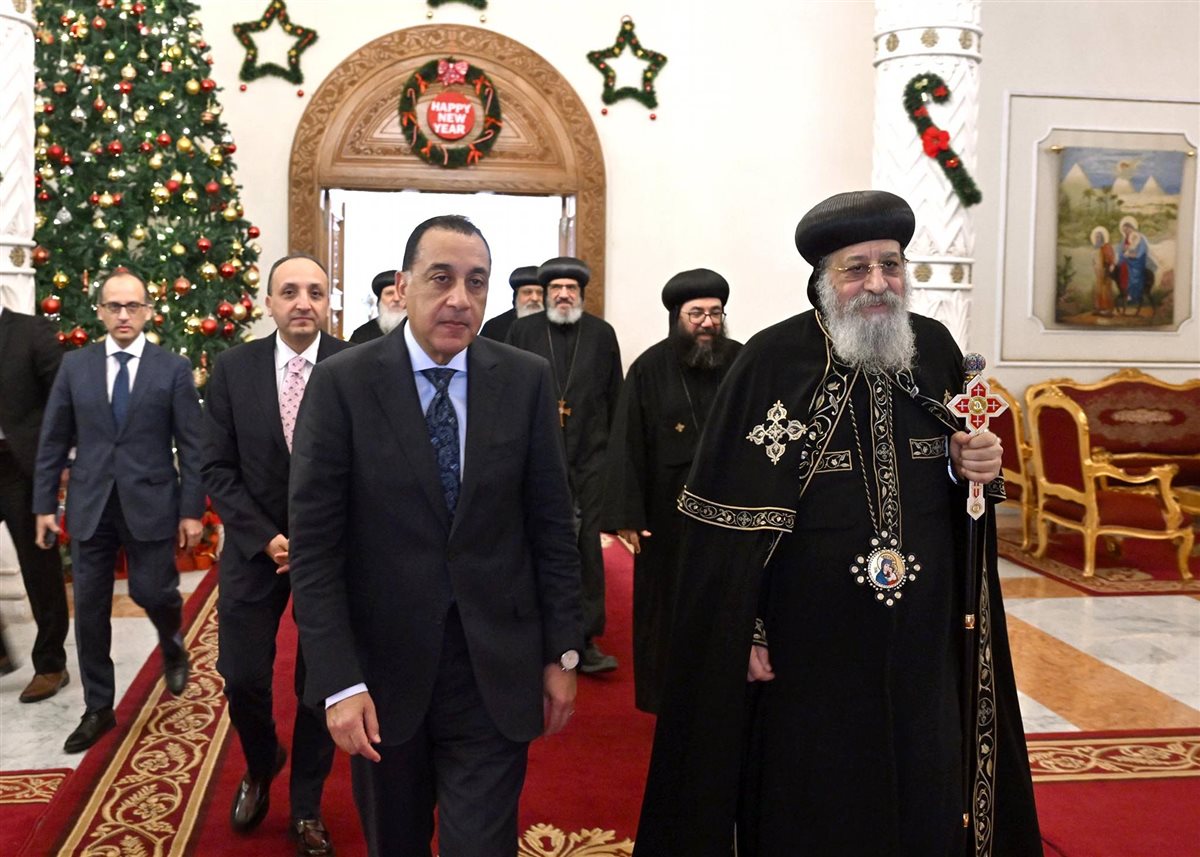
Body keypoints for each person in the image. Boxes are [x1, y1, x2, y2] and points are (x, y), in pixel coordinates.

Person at [635, 191, 1042, 856]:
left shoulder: (934, 349)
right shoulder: (770, 361)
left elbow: (965, 477)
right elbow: (725, 524)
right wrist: (745, 627)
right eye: (857, 268)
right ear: (823, 278)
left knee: (925, 783)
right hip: (809, 643)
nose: (879, 283)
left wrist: (972, 465)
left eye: (892, 265)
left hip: (923, 634)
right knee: (817, 798)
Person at [288, 215, 582, 856]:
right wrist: (339, 681)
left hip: (494, 670)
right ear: (402, 287)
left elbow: (552, 528)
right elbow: (315, 552)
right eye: (441, 278)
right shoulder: (343, 383)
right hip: (382, 679)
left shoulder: (525, 379)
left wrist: (563, 652)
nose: (459, 299)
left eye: (476, 282)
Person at [202, 253, 350, 855]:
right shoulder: (233, 369)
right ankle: (262, 762)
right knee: (241, 676)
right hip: (253, 549)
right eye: (289, 291)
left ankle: (307, 805)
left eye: (315, 291)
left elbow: (372, 466)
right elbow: (216, 466)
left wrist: (318, 538)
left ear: (328, 301)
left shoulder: (354, 365)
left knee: (320, 683)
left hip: (331, 554)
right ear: (268, 303)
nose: (303, 303)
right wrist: (264, 537)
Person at [33, 268, 205, 753]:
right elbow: (53, 438)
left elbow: (193, 446)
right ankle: (98, 707)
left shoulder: (172, 368)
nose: (124, 315)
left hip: (151, 501)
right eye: (114, 306)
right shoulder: (76, 366)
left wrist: (192, 510)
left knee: (154, 591)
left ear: (148, 311)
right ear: (101, 312)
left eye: (133, 306)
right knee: (89, 610)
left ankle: (171, 642)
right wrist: (44, 504)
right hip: (91, 504)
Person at [601, 269, 742, 712]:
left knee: (726, 604)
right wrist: (628, 514)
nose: (707, 322)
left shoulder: (742, 361)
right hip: (667, 516)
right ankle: (666, 698)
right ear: (676, 316)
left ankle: (724, 693)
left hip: (732, 510)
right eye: (696, 313)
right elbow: (628, 443)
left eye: (715, 313)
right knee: (666, 608)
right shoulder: (649, 368)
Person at [507, 256, 623, 674]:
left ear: (581, 294)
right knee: (534, 543)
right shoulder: (523, 332)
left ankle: (584, 638)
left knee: (587, 550)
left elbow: (615, 397)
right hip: (536, 458)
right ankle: (532, 631)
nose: (562, 295)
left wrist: (615, 463)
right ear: (545, 293)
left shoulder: (601, 334)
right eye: (556, 288)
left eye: (571, 289)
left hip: (590, 457)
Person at [0, 305, 70, 703]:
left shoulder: (31, 331)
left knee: (37, 564)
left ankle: (50, 664)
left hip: (21, 466)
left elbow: (62, 398)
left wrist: (61, 458)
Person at [479, 265, 544, 341]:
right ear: (516, 296)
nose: (535, 298)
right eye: (527, 292)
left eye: (540, 293)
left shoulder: (555, 325)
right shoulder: (493, 327)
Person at [348, 270, 403, 343]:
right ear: (379, 301)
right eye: (389, 293)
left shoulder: (418, 331)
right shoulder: (361, 335)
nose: (396, 298)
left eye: (401, 293)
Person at [1116, 215, 1154, 316]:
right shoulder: (1124, 240)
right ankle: (1124, 293)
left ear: (1132, 227)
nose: (1126, 232)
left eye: (1127, 229)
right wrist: (1120, 260)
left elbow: (1142, 251)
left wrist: (1133, 255)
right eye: (1124, 230)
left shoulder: (1139, 238)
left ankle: (1134, 296)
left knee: (1134, 274)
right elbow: (1121, 253)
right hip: (1127, 261)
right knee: (1119, 272)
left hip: (1137, 262)